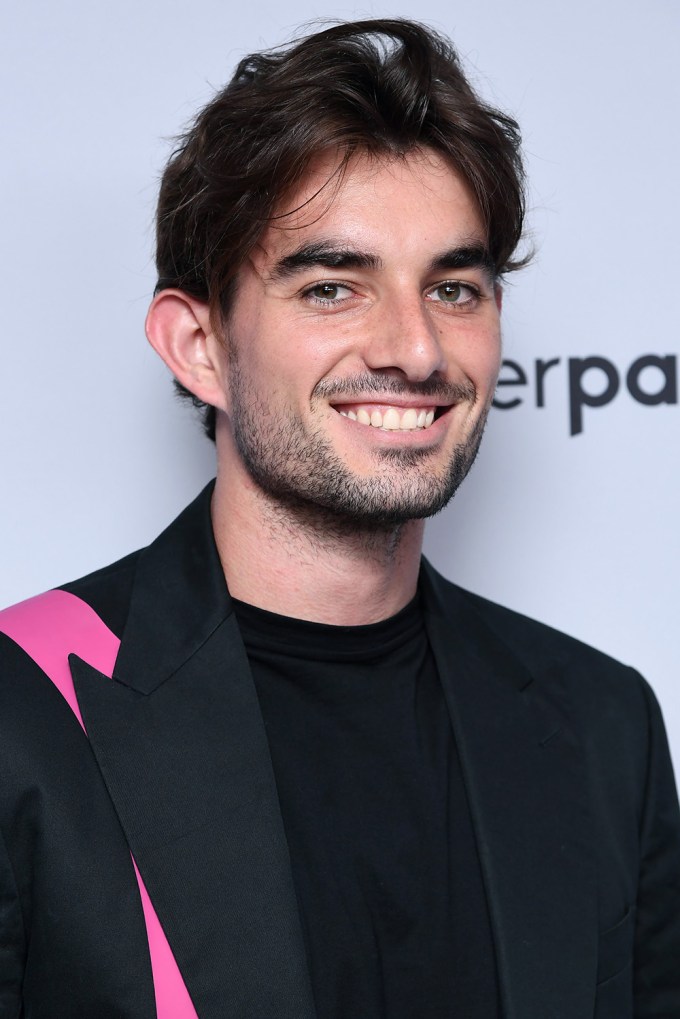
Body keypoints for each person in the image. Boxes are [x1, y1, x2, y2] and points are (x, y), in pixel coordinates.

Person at [1, 18, 678, 1019]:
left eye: (453, 287)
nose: (413, 347)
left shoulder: (599, 722)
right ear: (196, 344)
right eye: (331, 286)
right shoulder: (23, 711)